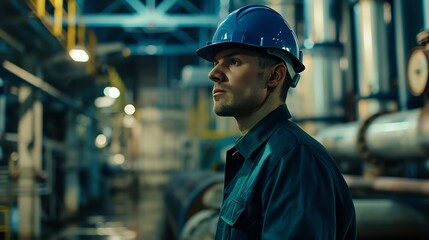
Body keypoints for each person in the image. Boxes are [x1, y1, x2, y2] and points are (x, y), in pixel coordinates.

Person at [195, 4, 356, 240]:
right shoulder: (258, 157)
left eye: (234, 61)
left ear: (275, 76)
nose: (214, 74)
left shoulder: (293, 160)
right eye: (215, 63)